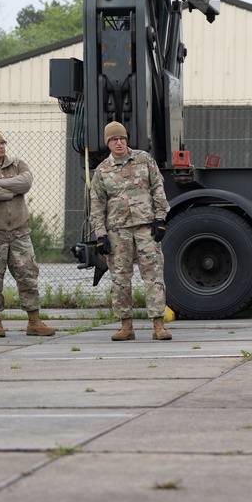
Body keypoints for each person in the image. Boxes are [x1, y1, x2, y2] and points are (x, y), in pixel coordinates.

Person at [0, 128, 56, 338]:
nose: (1, 146)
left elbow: (26, 182)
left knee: (28, 275)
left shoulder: (18, 164)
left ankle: (34, 321)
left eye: (3, 142)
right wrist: (11, 191)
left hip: (19, 231)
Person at [90, 122, 172, 340]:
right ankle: (126, 326)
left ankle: (158, 325)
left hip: (147, 228)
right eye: (114, 140)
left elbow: (158, 189)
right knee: (120, 279)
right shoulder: (102, 171)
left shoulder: (144, 159)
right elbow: (97, 206)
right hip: (118, 231)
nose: (119, 143)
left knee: (153, 276)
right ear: (108, 143)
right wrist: (101, 235)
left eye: (122, 139)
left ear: (127, 140)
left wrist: (161, 218)